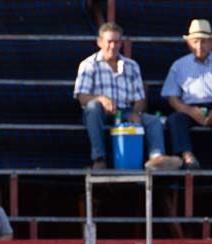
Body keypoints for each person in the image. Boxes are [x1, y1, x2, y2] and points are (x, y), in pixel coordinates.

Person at [74, 23, 181, 171]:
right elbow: (82, 97)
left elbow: (139, 98)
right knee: (92, 108)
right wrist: (101, 99)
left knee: (153, 120)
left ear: (121, 43)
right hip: (99, 113)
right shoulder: (88, 65)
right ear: (99, 42)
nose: (113, 46)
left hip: (125, 111)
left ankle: (157, 158)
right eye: (109, 41)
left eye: (117, 42)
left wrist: (135, 113)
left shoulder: (132, 65)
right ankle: (99, 159)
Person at [160, 19, 212, 171]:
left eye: (204, 41)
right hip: (188, 109)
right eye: (195, 41)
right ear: (189, 43)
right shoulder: (179, 65)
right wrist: (190, 111)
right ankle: (187, 156)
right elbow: (172, 98)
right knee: (175, 119)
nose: (200, 45)